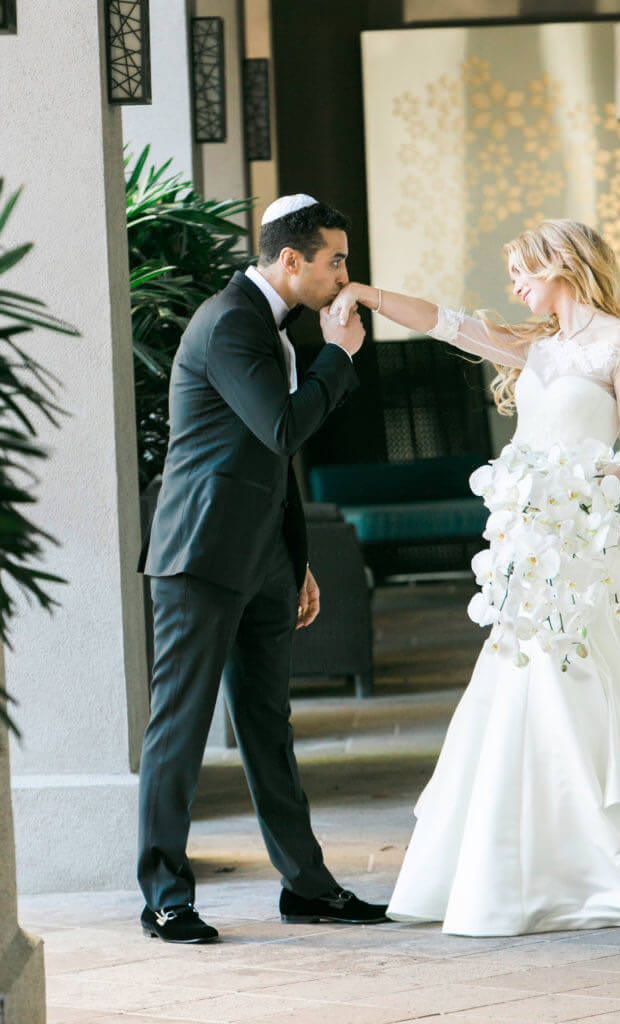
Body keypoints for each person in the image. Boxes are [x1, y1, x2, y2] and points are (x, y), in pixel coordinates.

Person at [330, 218, 620, 937]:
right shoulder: (529, 345)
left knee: (576, 677)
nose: (514, 284)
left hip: (578, 543)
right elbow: (442, 322)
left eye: (523, 270)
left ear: (562, 267)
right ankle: (514, 855)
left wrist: (597, 483)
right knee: (518, 677)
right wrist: (364, 291)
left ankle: (599, 848)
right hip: (522, 548)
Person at [137, 194, 389, 943]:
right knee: (177, 732)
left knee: (268, 727)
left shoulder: (268, 325)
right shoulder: (227, 323)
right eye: (334, 259)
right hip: (201, 557)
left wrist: (296, 559)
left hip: (265, 560)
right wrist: (339, 357)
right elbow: (282, 427)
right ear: (290, 260)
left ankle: (306, 887)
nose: (344, 273)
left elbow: (273, 461)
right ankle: (164, 897)